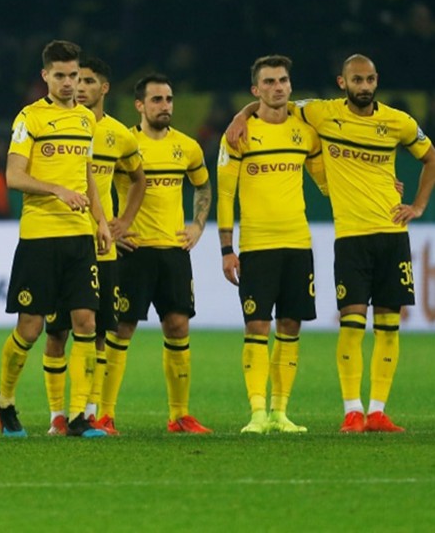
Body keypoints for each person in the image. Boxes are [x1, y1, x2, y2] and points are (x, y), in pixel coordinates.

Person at [226, 54, 435, 433]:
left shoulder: (398, 122)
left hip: (392, 234)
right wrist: (240, 116)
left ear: (377, 80)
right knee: (352, 324)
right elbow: (272, 102)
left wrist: (419, 205)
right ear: (343, 83)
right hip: (351, 237)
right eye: (357, 80)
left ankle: (378, 411)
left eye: (370, 79)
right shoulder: (320, 113)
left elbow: (431, 156)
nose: (365, 86)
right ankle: (352, 411)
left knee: (389, 327)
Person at [0, 40, 113, 439]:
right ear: (45, 76)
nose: (68, 83)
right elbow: (14, 177)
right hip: (41, 235)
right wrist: (57, 190)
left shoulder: (85, 120)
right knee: (30, 329)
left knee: (86, 321)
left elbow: (89, 176)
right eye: (59, 75)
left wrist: (101, 221)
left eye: (73, 76)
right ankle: (5, 402)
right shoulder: (30, 118)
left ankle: (79, 416)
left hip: (79, 238)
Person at [217, 55, 327, 434]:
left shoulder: (306, 131)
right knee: (257, 326)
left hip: (298, 243)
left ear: (291, 86)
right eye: (268, 82)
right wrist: (226, 249)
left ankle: (281, 413)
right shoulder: (239, 134)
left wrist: (380, 190)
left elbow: (327, 183)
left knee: (291, 325)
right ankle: (257, 412)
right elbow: (225, 194)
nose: (276, 87)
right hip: (258, 245)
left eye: (282, 80)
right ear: (255, 90)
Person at [41, 56, 145, 436]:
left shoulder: (119, 135)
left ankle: (88, 412)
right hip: (64, 236)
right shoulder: (64, 126)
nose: (79, 86)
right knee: (57, 331)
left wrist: (123, 222)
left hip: (102, 246)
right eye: (74, 78)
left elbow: (138, 179)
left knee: (98, 330)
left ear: (104, 88)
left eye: (87, 80)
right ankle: (56, 416)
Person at [111, 74, 213, 434]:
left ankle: (179, 415)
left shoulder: (187, 147)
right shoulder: (123, 142)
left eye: (169, 99)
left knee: (178, 325)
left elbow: (202, 186)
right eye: (157, 100)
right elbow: (92, 179)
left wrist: (199, 225)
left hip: (173, 251)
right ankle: (105, 415)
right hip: (133, 249)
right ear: (140, 105)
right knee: (122, 329)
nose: (165, 106)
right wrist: (111, 225)